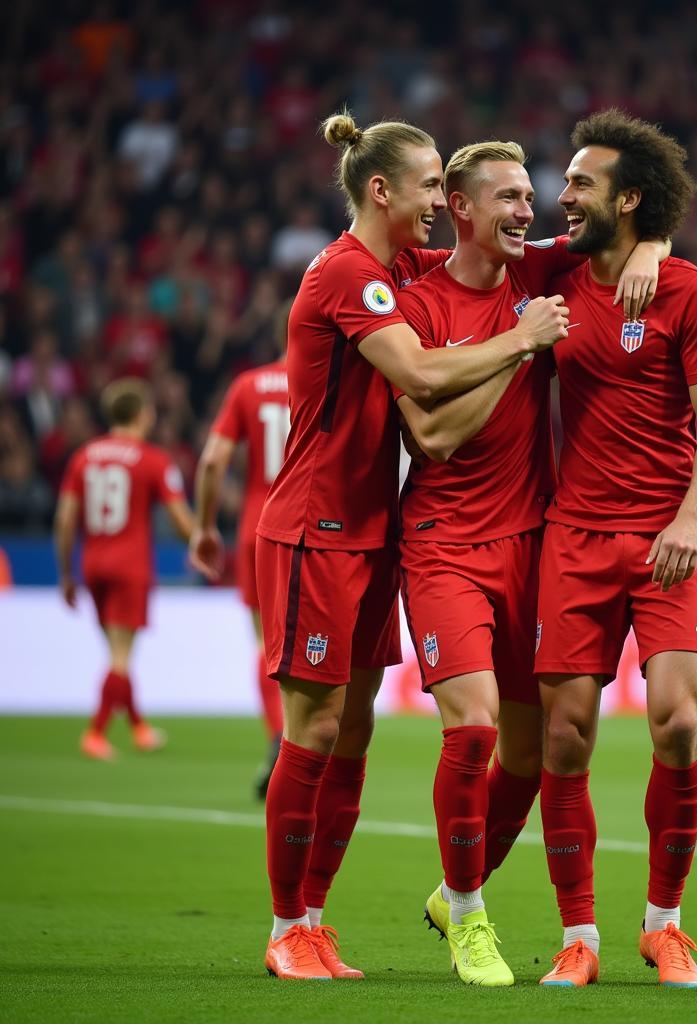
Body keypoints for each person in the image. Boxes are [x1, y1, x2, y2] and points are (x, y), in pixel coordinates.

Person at [250, 112, 571, 982]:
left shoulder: (401, 268)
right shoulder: (354, 273)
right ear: (381, 189)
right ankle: (286, 926)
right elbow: (425, 378)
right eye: (430, 186)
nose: (438, 201)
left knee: (351, 732)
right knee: (313, 728)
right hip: (317, 527)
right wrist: (522, 339)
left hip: (373, 530)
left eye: (444, 188)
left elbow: (490, 254)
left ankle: (315, 921)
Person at [394, 140, 665, 986]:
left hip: (534, 546)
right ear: (464, 211)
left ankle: (452, 889)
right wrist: (518, 344)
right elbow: (431, 436)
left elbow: (627, 238)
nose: (528, 211)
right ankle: (472, 920)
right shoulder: (418, 304)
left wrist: (655, 243)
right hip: (442, 545)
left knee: (529, 756)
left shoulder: (540, 269)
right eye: (508, 198)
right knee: (471, 729)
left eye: (530, 196)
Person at [533, 110, 697, 987]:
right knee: (567, 736)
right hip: (573, 536)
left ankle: (665, 924)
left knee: (679, 723)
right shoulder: (551, 272)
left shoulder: (691, 290)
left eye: (581, 182)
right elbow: (472, 256)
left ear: (630, 197)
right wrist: (638, 243)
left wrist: (691, 517)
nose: (562, 195)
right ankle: (579, 935)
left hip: (668, 536)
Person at [54, 377, 195, 760]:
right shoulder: (152, 460)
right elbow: (180, 518)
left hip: (93, 563)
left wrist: (66, 573)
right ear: (141, 414)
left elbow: (66, 519)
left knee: (116, 651)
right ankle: (95, 733)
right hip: (130, 566)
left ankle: (138, 727)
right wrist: (200, 543)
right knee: (121, 655)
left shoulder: (84, 456)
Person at [189, 300, 291, 800]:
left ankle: (278, 737)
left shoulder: (249, 385)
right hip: (320, 525)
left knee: (265, 644)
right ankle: (302, 747)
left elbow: (212, 462)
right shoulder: (336, 377)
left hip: (259, 524)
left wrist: (205, 525)